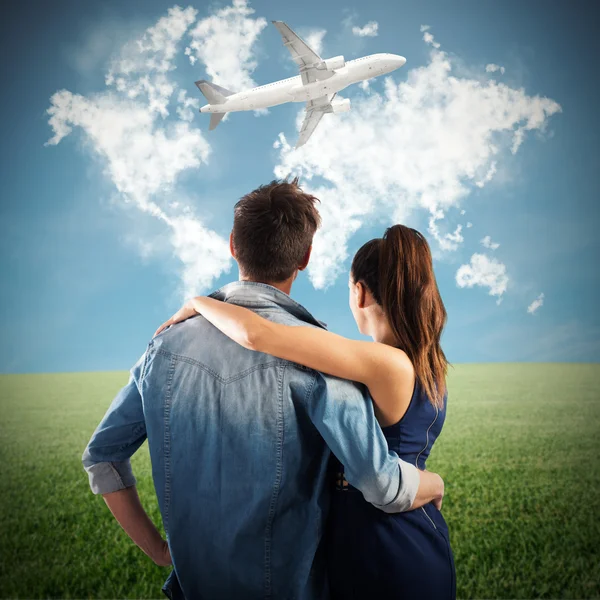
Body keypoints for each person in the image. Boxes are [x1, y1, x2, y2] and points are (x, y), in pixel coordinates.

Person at [81, 178, 444, 600]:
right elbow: (380, 482)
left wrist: (162, 551)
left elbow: (103, 456)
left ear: (233, 244)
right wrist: (434, 483)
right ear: (305, 257)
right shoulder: (325, 360)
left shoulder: (165, 343)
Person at [157, 223, 456, 599]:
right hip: (409, 538)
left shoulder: (384, 363)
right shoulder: (426, 363)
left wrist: (200, 302)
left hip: (380, 549)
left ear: (359, 293)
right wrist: (434, 482)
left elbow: (258, 334)